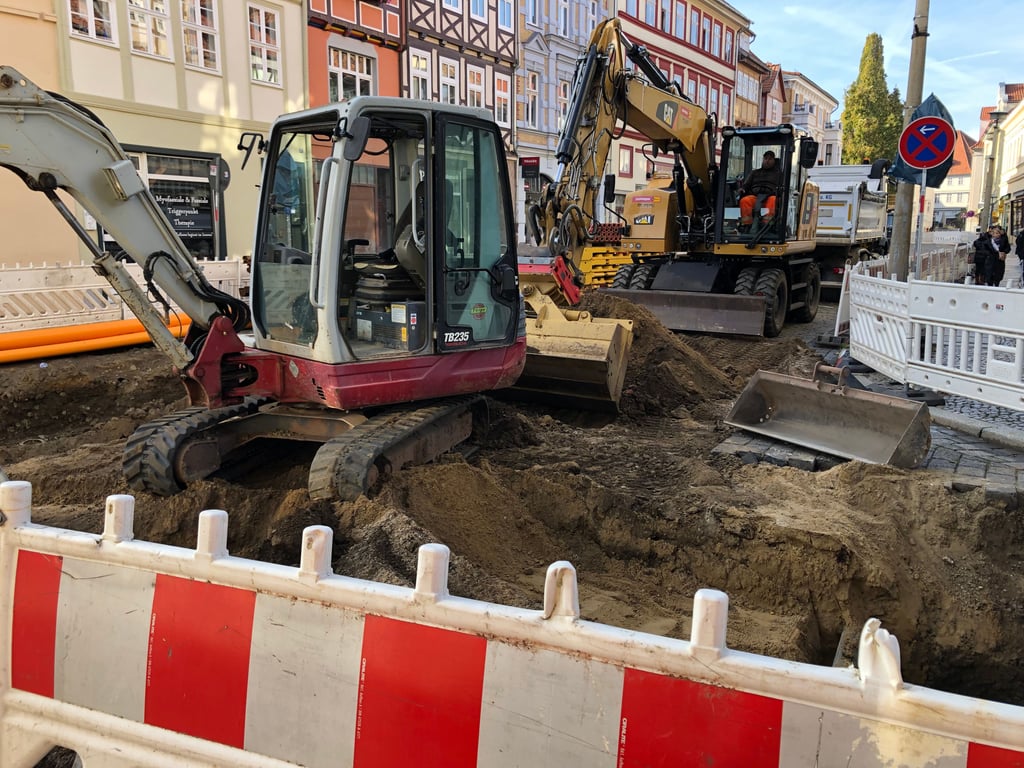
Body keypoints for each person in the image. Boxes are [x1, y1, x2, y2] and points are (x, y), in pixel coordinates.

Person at [739, 150, 783, 229]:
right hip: (756, 197)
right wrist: (743, 189)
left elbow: (782, 187)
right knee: (745, 201)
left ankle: (767, 225)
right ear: (763, 160)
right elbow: (746, 185)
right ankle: (746, 225)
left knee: (773, 200)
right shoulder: (755, 173)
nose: (767, 161)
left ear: (774, 161)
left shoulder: (778, 174)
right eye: (765, 158)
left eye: (770, 159)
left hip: (770, 197)